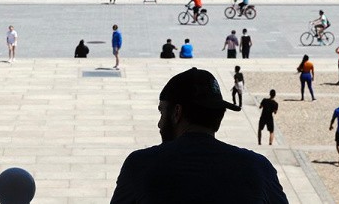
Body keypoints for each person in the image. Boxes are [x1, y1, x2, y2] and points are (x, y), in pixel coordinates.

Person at [111, 67, 287, 203]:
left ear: (176, 113)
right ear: (219, 117)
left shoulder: (140, 166)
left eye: (162, 112)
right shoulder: (258, 169)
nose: (159, 123)